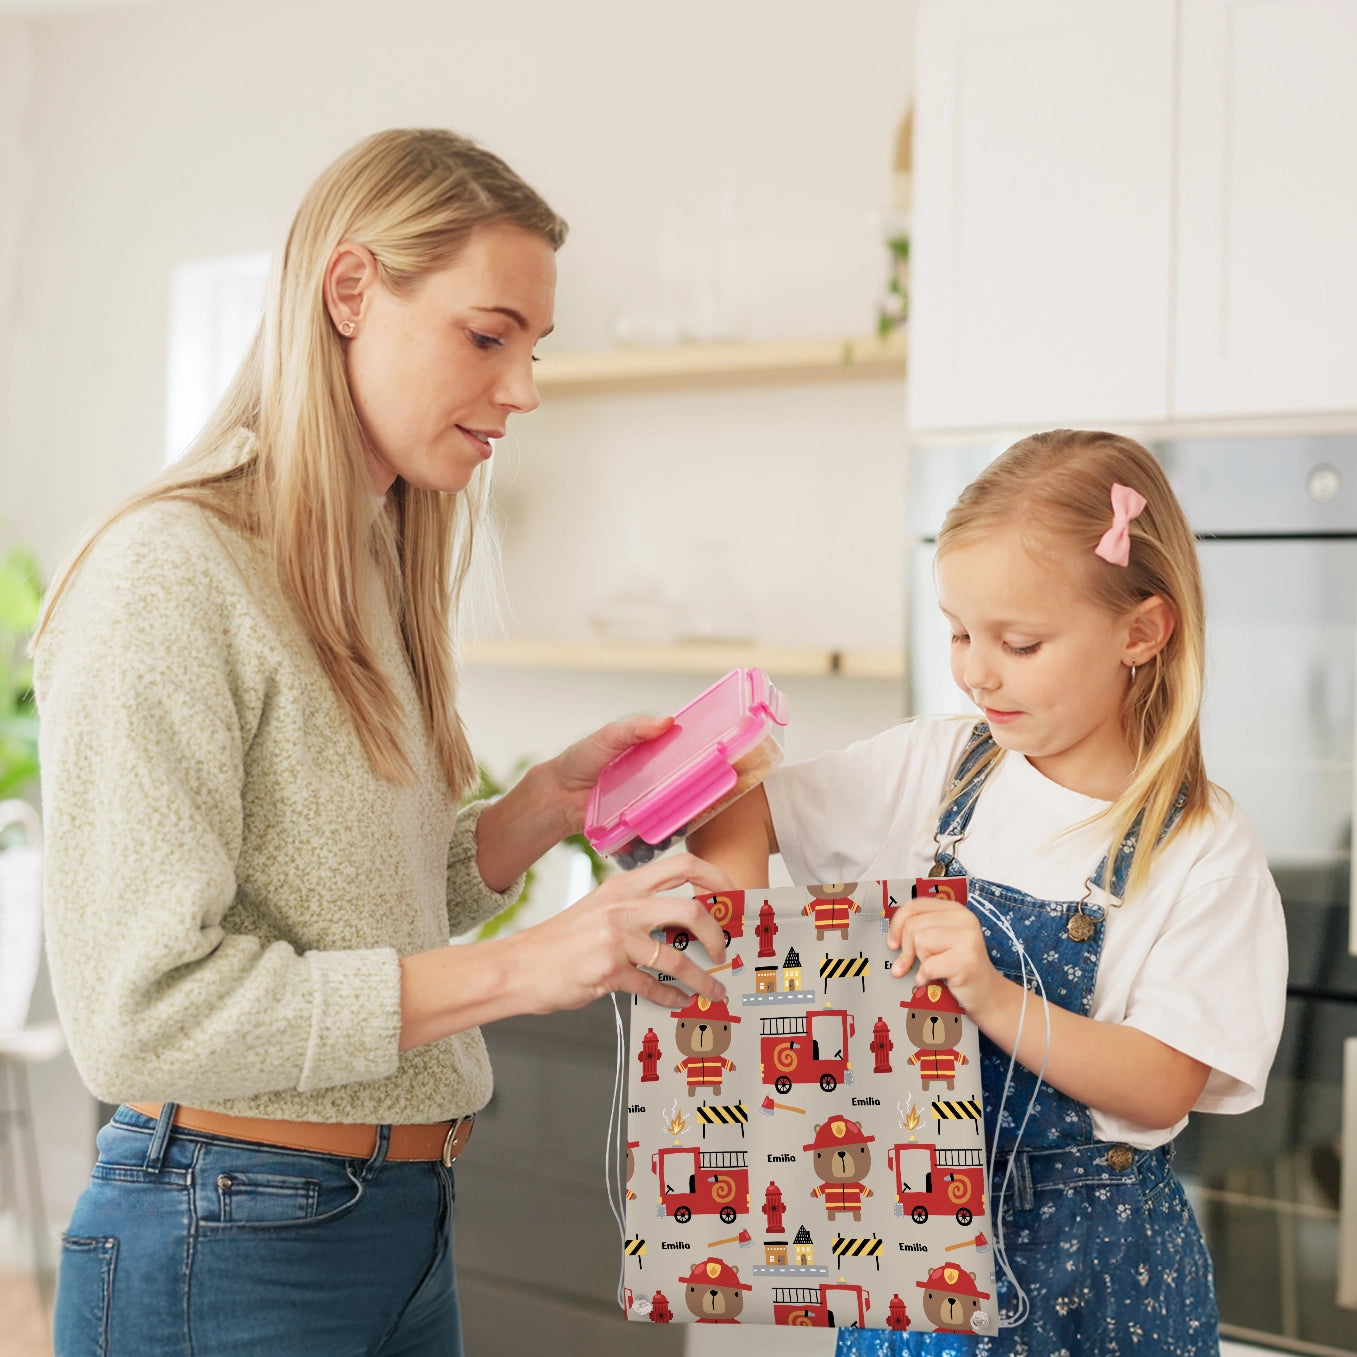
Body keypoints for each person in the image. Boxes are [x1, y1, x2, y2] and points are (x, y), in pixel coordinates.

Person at [33, 127, 733, 1357]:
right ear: (350, 292)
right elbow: (141, 1015)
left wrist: (537, 812)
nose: (521, 389)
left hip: (395, 1222)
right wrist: (531, 968)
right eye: (486, 334)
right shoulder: (167, 575)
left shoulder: (368, 567)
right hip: (231, 1233)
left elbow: (351, 910)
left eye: (532, 347)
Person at [689, 429, 1287, 1355]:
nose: (976, 669)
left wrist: (992, 996)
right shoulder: (934, 766)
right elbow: (739, 812)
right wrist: (746, 959)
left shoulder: (1199, 846)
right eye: (960, 632)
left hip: (1101, 1279)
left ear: (1140, 631)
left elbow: (1163, 1078)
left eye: (1018, 641)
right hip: (914, 1250)